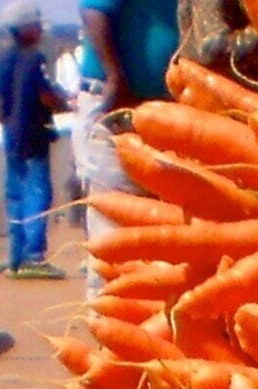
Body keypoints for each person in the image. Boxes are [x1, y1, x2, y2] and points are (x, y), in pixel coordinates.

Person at [75, 0, 182, 284]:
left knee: (162, 232)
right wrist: (115, 77)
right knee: (115, 231)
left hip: (163, 110)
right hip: (118, 103)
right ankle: (109, 317)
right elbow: (93, 12)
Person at [0, 9, 66, 277]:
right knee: (37, 193)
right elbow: (46, 95)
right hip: (34, 136)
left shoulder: (2, 60)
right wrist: (61, 102)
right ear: (26, 29)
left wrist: (9, 122)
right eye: (36, 26)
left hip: (11, 137)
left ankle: (16, 256)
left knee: (15, 195)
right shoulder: (35, 59)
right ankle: (34, 256)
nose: (41, 31)